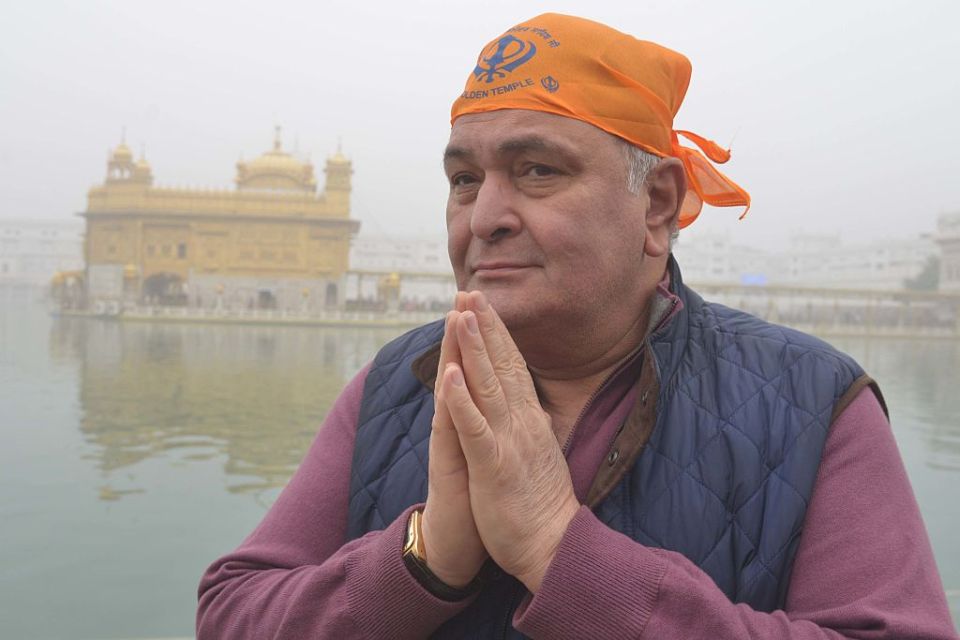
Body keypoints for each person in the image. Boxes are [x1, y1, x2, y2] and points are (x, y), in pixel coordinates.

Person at [196, 13, 958, 639]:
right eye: (465, 179)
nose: (485, 218)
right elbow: (231, 614)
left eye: (538, 171)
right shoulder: (400, 383)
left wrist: (564, 554)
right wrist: (425, 557)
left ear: (656, 203)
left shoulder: (812, 403)